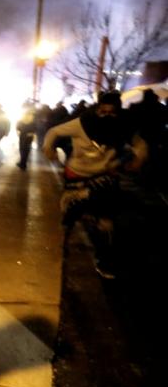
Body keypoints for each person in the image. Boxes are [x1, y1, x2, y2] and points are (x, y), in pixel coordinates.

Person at [43, 91, 143, 279]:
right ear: (97, 109)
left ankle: (104, 260)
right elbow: (54, 131)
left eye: (111, 112)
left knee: (106, 223)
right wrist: (48, 148)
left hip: (105, 177)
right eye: (102, 111)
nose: (106, 116)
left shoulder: (123, 126)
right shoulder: (82, 123)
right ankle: (61, 246)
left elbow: (140, 143)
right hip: (77, 178)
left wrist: (138, 158)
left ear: (118, 112)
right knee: (69, 216)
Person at [16, 101, 37, 170]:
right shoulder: (33, 114)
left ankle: (23, 164)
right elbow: (35, 125)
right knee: (25, 149)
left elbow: (19, 123)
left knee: (23, 148)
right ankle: (22, 163)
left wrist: (18, 129)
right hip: (28, 134)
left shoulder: (26, 114)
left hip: (24, 133)